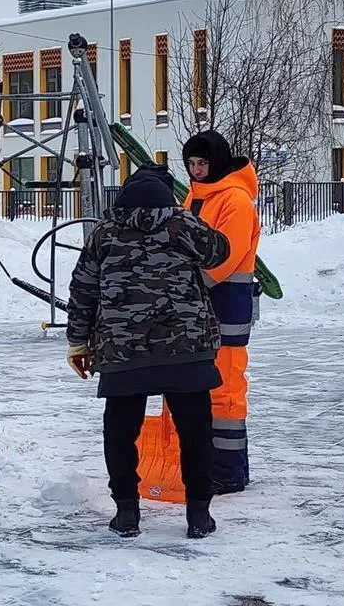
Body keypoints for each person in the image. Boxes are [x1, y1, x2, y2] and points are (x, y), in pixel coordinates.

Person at [66, 164, 231, 539]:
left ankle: (126, 514)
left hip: (123, 352)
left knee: (120, 433)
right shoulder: (183, 225)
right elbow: (220, 252)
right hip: (186, 347)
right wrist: (187, 217)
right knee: (196, 432)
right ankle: (198, 516)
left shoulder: (104, 233)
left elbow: (83, 291)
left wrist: (78, 342)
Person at [181, 130, 261, 495]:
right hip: (201, 300)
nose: (197, 171)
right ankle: (215, 465)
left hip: (227, 301)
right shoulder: (196, 196)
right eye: (192, 164)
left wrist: (183, 284)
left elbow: (224, 257)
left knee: (226, 388)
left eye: (203, 164)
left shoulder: (236, 200)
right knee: (200, 384)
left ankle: (228, 470)